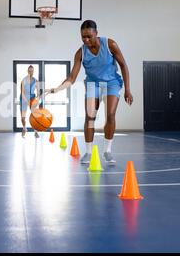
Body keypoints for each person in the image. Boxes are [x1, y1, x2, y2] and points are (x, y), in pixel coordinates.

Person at [45, 20, 133, 164]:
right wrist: (57, 89)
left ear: (96, 34)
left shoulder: (110, 44)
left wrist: (127, 90)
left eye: (89, 37)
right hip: (93, 83)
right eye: (83, 37)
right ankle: (88, 151)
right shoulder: (80, 53)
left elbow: (123, 65)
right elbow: (72, 78)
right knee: (90, 117)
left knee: (110, 115)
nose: (86, 40)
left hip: (112, 82)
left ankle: (107, 151)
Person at [20, 65, 40, 138]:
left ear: (33, 71)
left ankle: (35, 132)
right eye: (29, 71)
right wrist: (26, 100)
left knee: (34, 116)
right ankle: (24, 128)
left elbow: (38, 93)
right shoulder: (23, 80)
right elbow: (22, 92)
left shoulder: (36, 81)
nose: (30, 72)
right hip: (23, 98)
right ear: (27, 71)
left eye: (32, 71)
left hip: (32, 98)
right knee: (23, 118)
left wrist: (37, 99)